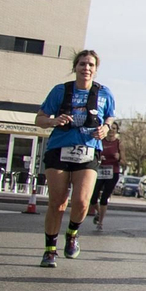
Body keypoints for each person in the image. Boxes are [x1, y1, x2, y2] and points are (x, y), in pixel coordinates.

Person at [34, 50, 116, 267]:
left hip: (88, 151)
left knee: (81, 201)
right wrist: (53, 121)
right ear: (75, 67)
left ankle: (72, 234)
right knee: (58, 202)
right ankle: (50, 250)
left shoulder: (104, 93)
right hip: (59, 149)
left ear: (95, 69)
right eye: (82, 64)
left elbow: (110, 116)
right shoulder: (60, 91)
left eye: (90, 65)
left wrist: (106, 128)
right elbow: (39, 119)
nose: (86, 68)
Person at [88, 123, 122, 229]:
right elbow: (92, 155)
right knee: (92, 198)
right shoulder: (100, 141)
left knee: (104, 198)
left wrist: (119, 158)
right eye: (110, 128)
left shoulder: (119, 143)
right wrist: (98, 157)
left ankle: (100, 222)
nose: (112, 130)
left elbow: (124, 161)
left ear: (117, 131)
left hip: (113, 173)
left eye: (114, 128)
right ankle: (99, 212)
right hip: (99, 171)